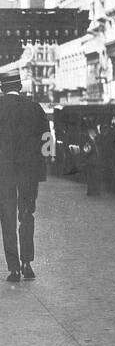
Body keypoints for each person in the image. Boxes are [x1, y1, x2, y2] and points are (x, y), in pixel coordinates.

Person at [0, 71, 51, 282]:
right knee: (27, 216)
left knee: (8, 219)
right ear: (20, 87)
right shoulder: (35, 108)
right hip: (28, 174)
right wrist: (42, 169)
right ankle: (27, 263)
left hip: (4, 174)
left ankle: (13, 269)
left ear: (2, 88)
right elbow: (47, 140)